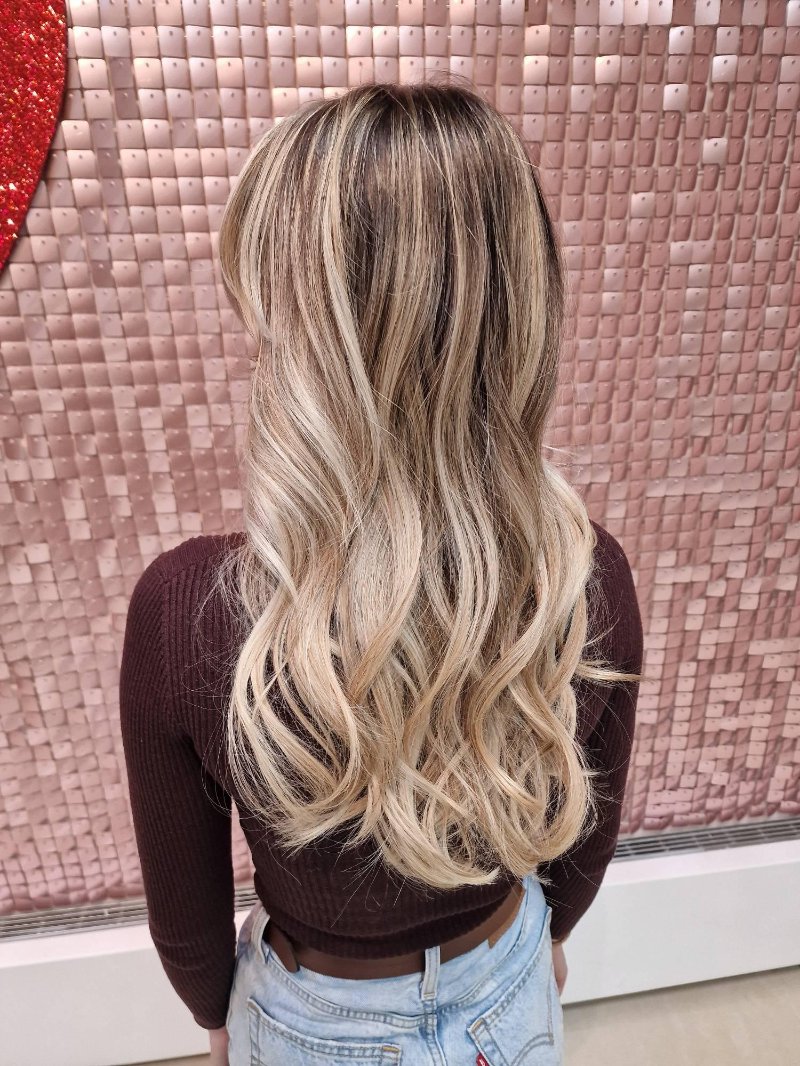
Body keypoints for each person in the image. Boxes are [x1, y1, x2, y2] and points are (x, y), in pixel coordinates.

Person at [120, 76, 644, 1066]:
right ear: (522, 314)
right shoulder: (586, 580)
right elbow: (587, 837)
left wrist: (216, 1017)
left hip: (313, 1018)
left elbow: (185, 920)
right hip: (508, 983)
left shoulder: (187, 613)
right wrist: (545, 940)